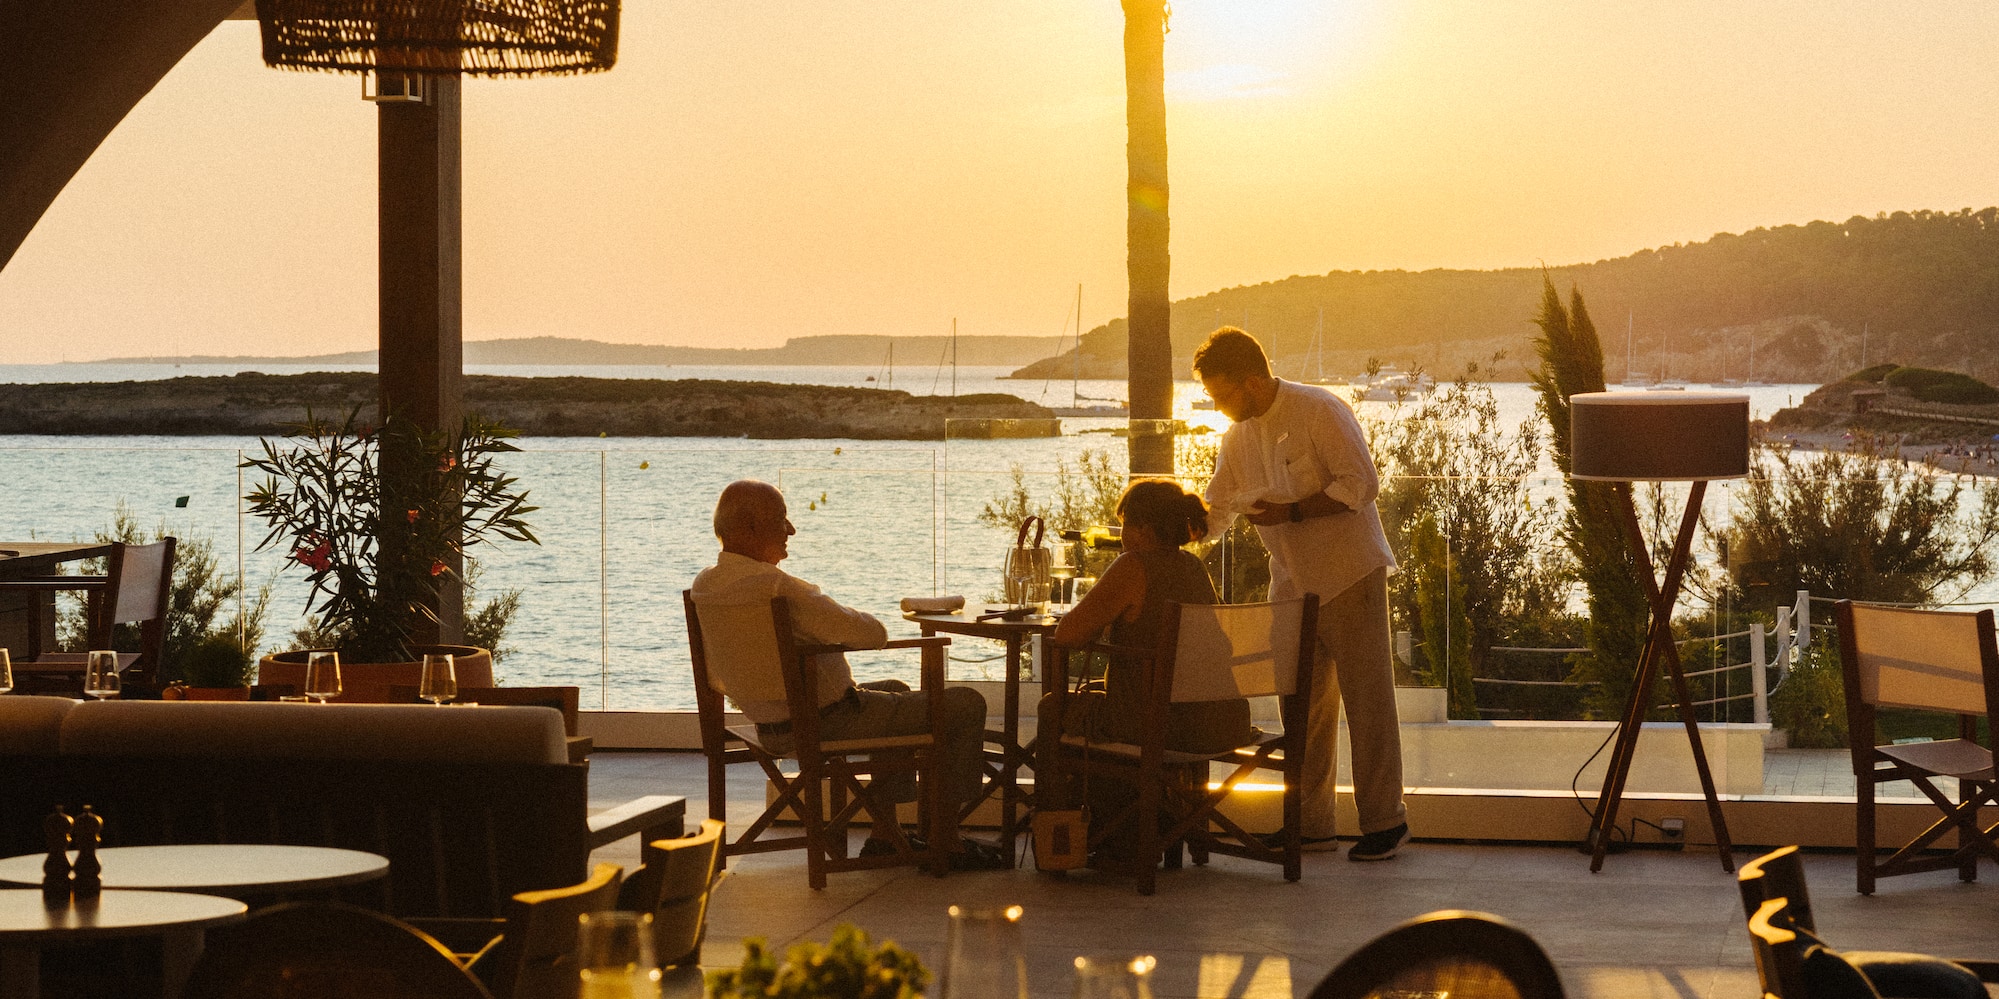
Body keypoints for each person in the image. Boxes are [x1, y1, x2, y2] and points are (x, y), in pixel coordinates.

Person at [689, 479, 1003, 869]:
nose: (791, 531)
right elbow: (870, 634)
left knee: (895, 690)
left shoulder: (706, 585)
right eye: (781, 521)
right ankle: (946, 839)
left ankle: (884, 835)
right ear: (749, 528)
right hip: (821, 723)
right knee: (964, 704)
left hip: (768, 724)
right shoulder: (777, 588)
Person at [1194, 328, 1410, 861]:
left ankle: (1386, 821)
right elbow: (1216, 509)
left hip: (1350, 574)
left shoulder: (1319, 410)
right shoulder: (1236, 438)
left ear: (1251, 380)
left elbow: (1359, 483)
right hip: (1291, 582)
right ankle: (1311, 825)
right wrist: (1162, 527)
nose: (1216, 407)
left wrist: (1290, 511)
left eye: (1221, 395)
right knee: (1303, 710)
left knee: (1368, 703)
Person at [1043, 478, 1253, 753]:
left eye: (1125, 524)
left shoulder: (1133, 565)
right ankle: (1168, 795)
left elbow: (1066, 634)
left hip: (1159, 725)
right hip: (1223, 722)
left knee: (1051, 706)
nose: (1120, 533)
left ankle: (1054, 797)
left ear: (1143, 529)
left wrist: (1101, 623)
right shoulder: (1194, 567)